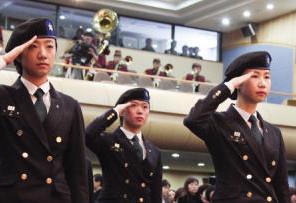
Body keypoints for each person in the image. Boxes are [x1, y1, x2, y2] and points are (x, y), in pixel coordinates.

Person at [0, 18, 89, 203]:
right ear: (18, 53)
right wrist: (2, 60)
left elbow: (77, 170)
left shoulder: (70, 106)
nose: (43, 54)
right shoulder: (1, 96)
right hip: (12, 197)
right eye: (33, 47)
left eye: (49, 46)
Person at [184, 51, 290, 203]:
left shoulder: (274, 133)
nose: (262, 83)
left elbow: (281, 186)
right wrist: (228, 86)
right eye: (254, 76)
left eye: (267, 76)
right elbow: (193, 120)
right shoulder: (220, 123)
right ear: (239, 82)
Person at [86, 88, 163, 203]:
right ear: (123, 110)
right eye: (134, 105)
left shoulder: (155, 151)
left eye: (145, 107)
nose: (140, 111)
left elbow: (156, 193)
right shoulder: (109, 141)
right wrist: (114, 112)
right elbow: (87, 135)